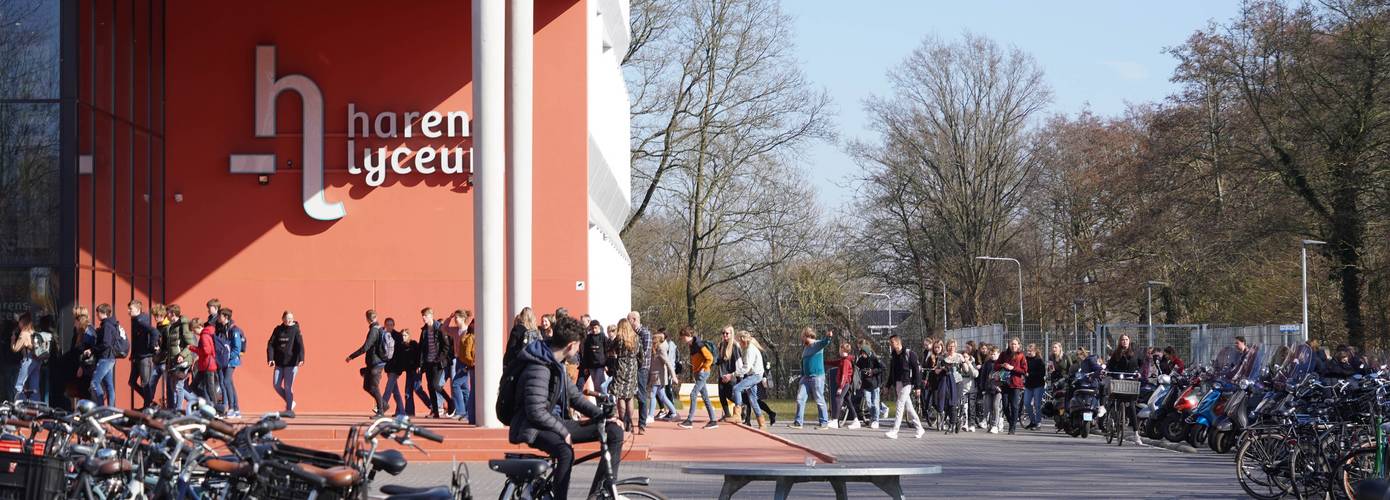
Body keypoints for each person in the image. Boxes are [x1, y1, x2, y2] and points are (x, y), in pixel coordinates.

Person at [509, 315, 623, 500]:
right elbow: (535, 412)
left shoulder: (557, 364)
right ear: (571, 345)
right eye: (579, 345)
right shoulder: (539, 367)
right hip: (533, 426)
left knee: (614, 431)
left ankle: (601, 494)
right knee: (565, 452)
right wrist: (563, 431)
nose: (579, 349)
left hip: (553, 423)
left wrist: (603, 416)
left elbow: (575, 397)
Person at [346, 309, 389, 416]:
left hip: (376, 364)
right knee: (367, 386)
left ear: (367, 319)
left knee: (374, 387)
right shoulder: (378, 329)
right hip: (373, 363)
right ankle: (383, 404)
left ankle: (381, 411)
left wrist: (351, 356)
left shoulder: (374, 330)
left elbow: (365, 347)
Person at [790, 327, 833, 429]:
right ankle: (798, 422)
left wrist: (829, 336)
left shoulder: (817, 344)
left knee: (819, 399)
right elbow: (803, 363)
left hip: (817, 377)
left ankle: (824, 423)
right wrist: (802, 375)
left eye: (803, 337)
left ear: (806, 336)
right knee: (800, 398)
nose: (802, 339)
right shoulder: (806, 348)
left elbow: (825, 342)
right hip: (806, 377)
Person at [723, 331, 766, 428]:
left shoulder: (750, 349)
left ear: (743, 340)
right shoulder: (747, 348)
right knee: (752, 400)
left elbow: (746, 367)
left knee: (736, 388)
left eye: (739, 341)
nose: (738, 343)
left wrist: (732, 375)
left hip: (755, 375)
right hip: (754, 374)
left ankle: (737, 415)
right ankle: (762, 423)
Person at [883, 334, 924, 439]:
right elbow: (892, 372)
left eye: (891, 343)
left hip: (907, 383)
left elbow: (916, 371)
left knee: (899, 405)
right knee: (909, 407)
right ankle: (920, 428)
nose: (890, 345)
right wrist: (887, 385)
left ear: (898, 342)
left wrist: (918, 386)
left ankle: (895, 431)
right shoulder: (893, 355)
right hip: (898, 383)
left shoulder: (909, 354)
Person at [678, 326, 718, 429]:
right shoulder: (691, 345)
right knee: (705, 397)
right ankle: (713, 420)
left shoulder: (699, 344)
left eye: (683, 337)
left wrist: (704, 368)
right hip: (698, 373)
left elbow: (710, 358)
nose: (682, 339)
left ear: (689, 335)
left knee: (693, 394)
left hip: (703, 373)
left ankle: (689, 421)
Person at [268, 311, 305, 417]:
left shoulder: (295, 330)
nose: (289, 320)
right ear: (283, 318)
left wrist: (301, 359)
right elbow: (271, 344)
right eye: (287, 318)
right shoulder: (278, 330)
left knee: (288, 387)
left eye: (291, 318)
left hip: (291, 363)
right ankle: (291, 402)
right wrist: (271, 358)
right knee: (276, 385)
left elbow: (300, 346)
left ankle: (289, 409)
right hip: (279, 362)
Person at [418, 307, 453, 418]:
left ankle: (450, 401)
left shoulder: (440, 328)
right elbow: (422, 349)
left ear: (431, 316)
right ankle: (436, 412)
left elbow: (446, 346)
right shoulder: (424, 330)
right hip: (428, 362)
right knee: (430, 387)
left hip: (438, 362)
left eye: (425, 316)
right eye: (422, 316)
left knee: (435, 385)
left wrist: (440, 358)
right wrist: (420, 364)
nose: (423, 318)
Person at [607, 319, 641, 433]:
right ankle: (630, 422)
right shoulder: (636, 338)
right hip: (632, 366)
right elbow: (641, 354)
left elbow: (610, 350)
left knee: (620, 395)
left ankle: (622, 421)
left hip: (621, 366)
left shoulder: (619, 339)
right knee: (630, 396)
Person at [86, 303, 121, 407]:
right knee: (109, 386)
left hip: (105, 358)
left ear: (103, 313)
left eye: (98, 313)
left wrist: (92, 350)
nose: (97, 315)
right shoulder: (112, 324)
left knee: (94, 383)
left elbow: (106, 343)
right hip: (110, 358)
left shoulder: (106, 326)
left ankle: (102, 408)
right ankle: (111, 410)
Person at [126, 300, 159, 409]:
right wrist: (133, 355)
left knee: (145, 383)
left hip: (145, 357)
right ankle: (148, 401)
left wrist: (152, 347)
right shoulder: (135, 320)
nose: (128, 311)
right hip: (138, 357)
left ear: (138, 309)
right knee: (132, 382)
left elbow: (154, 332)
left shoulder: (140, 321)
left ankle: (147, 406)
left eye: (130, 309)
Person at [215, 308, 246, 416]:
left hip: (231, 361)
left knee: (226, 382)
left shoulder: (234, 330)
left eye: (220, 316)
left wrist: (227, 358)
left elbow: (237, 348)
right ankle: (236, 409)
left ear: (226, 317)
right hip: (226, 360)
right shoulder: (224, 328)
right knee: (230, 383)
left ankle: (232, 408)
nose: (218, 318)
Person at [646, 330, 679, 423]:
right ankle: (674, 412)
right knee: (662, 396)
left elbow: (668, 363)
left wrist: (674, 376)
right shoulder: (654, 350)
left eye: (654, 339)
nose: (652, 340)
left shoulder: (661, 350)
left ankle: (651, 416)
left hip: (658, 377)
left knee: (652, 395)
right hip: (654, 376)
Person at [996, 338, 1027, 435]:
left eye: (1015, 344)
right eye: (1011, 344)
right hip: (1005, 382)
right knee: (1005, 406)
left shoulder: (1021, 355)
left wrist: (1013, 368)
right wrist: (1002, 365)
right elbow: (996, 365)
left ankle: (1012, 427)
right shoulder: (1004, 354)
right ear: (1009, 344)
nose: (1013, 346)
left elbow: (1024, 370)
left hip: (1016, 383)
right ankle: (1011, 421)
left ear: (1018, 345)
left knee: (1014, 405)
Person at [450, 310, 476, 423]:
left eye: (457, 318)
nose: (455, 320)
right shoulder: (459, 331)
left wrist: (470, 363)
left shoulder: (468, 332)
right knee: (466, 389)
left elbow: (468, 352)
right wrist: (449, 318)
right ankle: (467, 413)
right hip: (464, 362)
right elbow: (444, 328)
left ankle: (462, 412)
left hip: (467, 363)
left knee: (456, 384)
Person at [628, 311, 653, 427]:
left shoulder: (645, 333)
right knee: (628, 395)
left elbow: (645, 353)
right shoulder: (630, 334)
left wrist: (634, 360)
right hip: (632, 368)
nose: (628, 323)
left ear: (634, 320)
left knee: (641, 395)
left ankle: (642, 423)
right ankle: (627, 422)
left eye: (629, 320)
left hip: (641, 369)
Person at [191, 318, 220, 411]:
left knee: (210, 387)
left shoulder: (204, 336)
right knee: (198, 386)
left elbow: (206, 351)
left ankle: (215, 408)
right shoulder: (205, 334)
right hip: (205, 365)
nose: (194, 332)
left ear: (199, 327)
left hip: (208, 365)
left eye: (194, 329)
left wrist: (193, 348)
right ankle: (209, 403)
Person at [10, 313, 40, 402]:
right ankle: (36, 405)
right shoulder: (33, 332)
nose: (18, 324)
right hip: (37, 360)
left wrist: (13, 339)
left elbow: (15, 349)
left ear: (22, 323)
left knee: (19, 384)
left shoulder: (24, 333)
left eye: (19, 322)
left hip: (28, 359)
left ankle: (19, 403)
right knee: (34, 385)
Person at [855, 341, 885, 429]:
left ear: (867, 352)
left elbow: (882, 368)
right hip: (866, 384)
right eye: (862, 353)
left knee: (875, 403)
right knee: (868, 403)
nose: (863, 355)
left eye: (864, 353)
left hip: (875, 384)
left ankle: (876, 420)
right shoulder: (861, 359)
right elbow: (857, 367)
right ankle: (872, 417)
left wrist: (873, 371)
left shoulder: (875, 358)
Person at [381, 318, 408, 416]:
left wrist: (399, 369)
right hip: (388, 367)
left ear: (394, 325)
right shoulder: (383, 335)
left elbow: (401, 354)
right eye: (387, 324)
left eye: (391, 324)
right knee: (395, 390)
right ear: (385, 325)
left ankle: (381, 409)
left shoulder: (398, 336)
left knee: (388, 389)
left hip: (395, 368)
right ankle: (402, 411)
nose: (389, 326)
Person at [715, 326, 740, 422]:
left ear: (731, 334)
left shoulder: (735, 346)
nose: (724, 335)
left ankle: (741, 406)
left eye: (727, 333)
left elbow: (738, 363)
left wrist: (732, 375)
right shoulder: (721, 345)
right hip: (722, 374)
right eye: (723, 333)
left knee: (730, 395)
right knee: (721, 396)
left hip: (731, 375)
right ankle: (727, 414)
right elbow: (719, 360)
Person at [977, 344, 1003, 433]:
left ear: (998, 354)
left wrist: (1001, 386)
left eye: (995, 354)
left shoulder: (1001, 364)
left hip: (998, 390)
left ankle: (996, 424)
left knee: (996, 406)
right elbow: (983, 376)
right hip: (988, 388)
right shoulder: (987, 364)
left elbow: (1004, 376)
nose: (993, 356)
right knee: (987, 406)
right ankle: (988, 423)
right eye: (991, 354)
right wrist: (983, 388)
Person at [579, 320, 609, 394]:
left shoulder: (603, 337)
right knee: (596, 386)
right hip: (591, 366)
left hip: (600, 365)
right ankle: (599, 404)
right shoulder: (588, 338)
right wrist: (586, 366)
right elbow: (585, 353)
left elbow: (607, 351)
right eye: (592, 328)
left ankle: (606, 401)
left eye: (595, 328)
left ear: (599, 327)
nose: (594, 330)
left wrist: (606, 364)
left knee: (601, 384)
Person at [1022, 343, 1046, 430]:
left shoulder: (1039, 360)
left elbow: (1042, 373)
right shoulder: (1025, 360)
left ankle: (1038, 422)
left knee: (1037, 404)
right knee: (1027, 403)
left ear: (1035, 351)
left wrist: (1030, 374)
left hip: (1038, 385)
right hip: (1028, 385)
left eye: (1030, 351)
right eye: (1027, 351)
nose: (1028, 352)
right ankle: (1033, 421)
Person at [832, 341, 856, 428]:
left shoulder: (846, 361)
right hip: (846, 384)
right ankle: (856, 420)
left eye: (840, 349)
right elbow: (833, 363)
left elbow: (844, 375)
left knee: (838, 398)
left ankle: (835, 421)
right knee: (848, 401)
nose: (839, 351)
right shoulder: (843, 360)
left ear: (842, 350)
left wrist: (840, 387)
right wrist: (823, 361)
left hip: (845, 384)